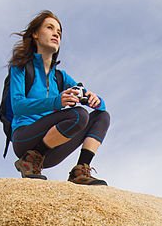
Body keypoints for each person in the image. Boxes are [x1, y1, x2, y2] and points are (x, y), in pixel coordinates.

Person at [7, 10, 110, 185]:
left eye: (59, 32)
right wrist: (56, 102)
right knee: (78, 115)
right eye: (50, 28)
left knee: (102, 116)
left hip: (51, 150)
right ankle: (29, 160)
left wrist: (95, 99)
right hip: (25, 138)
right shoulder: (21, 68)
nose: (56, 33)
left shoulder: (60, 77)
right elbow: (17, 106)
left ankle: (80, 171)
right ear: (35, 34)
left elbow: (99, 105)